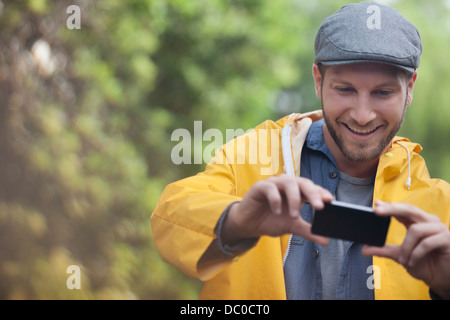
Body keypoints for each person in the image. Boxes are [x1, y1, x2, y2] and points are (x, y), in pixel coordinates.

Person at [151, 1, 450, 300]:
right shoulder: (252, 157)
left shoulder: (440, 207)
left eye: (383, 92)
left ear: (410, 88)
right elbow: (170, 215)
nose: (362, 114)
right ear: (319, 81)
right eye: (344, 90)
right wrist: (238, 220)